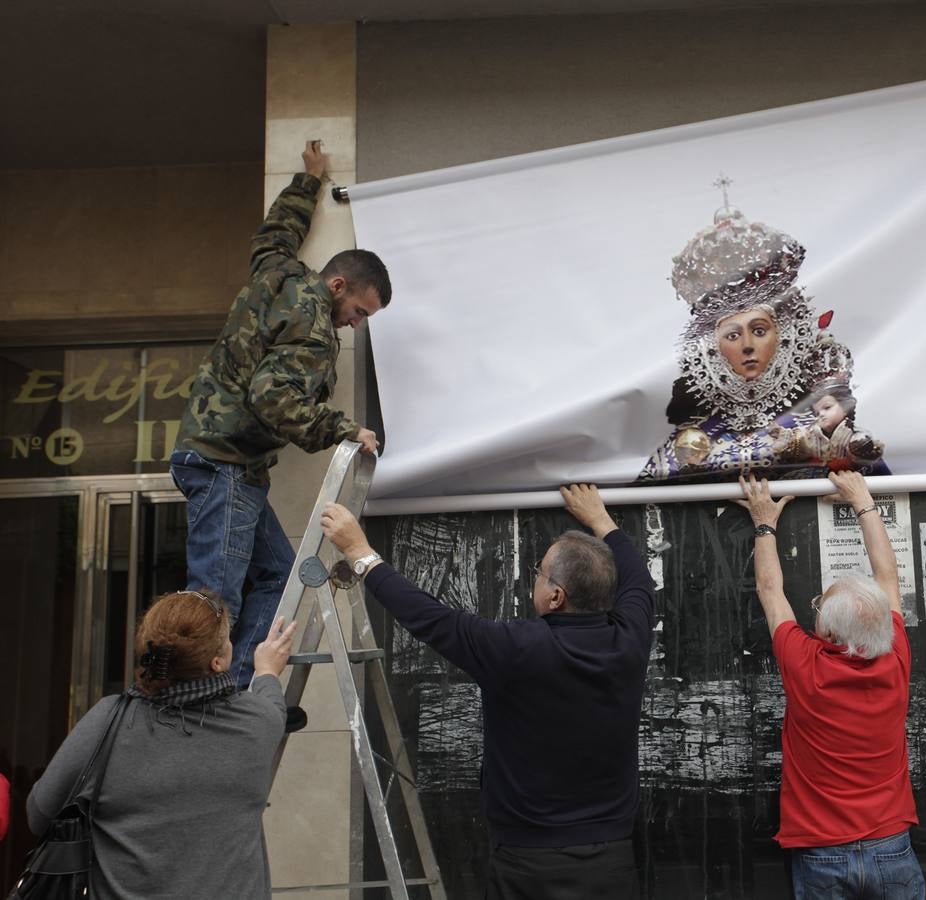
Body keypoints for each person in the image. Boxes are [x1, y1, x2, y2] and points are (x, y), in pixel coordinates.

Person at [319, 484, 654, 900]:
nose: (535, 578)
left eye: (539, 572)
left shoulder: (514, 648)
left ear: (555, 596)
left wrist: (359, 551)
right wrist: (600, 519)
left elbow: (429, 617)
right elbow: (638, 577)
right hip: (611, 860)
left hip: (527, 865)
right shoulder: (631, 637)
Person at [171, 139, 388, 697]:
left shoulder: (281, 273)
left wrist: (308, 180)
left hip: (218, 456)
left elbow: (274, 234)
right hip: (225, 463)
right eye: (359, 311)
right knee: (213, 602)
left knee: (277, 577)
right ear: (337, 287)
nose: (356, 324)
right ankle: (207, 712)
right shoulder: (313, 326)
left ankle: (242, 693)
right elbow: (273, 398)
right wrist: (344, 428)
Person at [27, 591, 298, 899]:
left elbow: (39, 815)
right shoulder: (257, 721)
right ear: (218, 661)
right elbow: (272, 701)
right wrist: (266, 672)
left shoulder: (107, 722)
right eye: (227, 639)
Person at [737, 471, 925, 899]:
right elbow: (888, 576)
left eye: (819, 605)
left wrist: (764, 523)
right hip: (891, 846)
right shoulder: (895, 656)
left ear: (829, 633)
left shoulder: (803, 662)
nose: (816, 607)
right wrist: (863, 501)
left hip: (822, 852)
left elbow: (769, 590)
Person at [638, 204, 888, 482]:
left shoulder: (823, 430)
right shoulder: (689, 442)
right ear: (713, 349)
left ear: (783, 337)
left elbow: (878, 493)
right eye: (733, 335)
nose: (747, 345)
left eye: (758, 330)